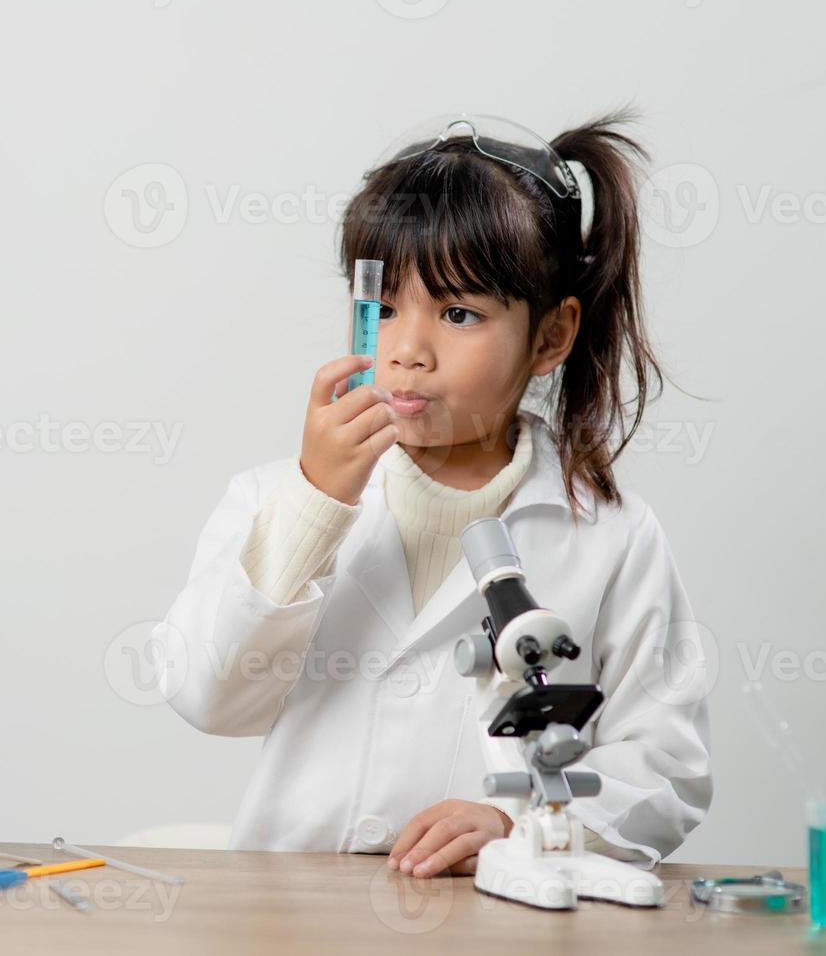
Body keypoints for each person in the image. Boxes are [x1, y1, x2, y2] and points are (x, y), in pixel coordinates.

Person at [154, 110, 712, 878]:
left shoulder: (613, 535)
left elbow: (667, 766)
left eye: (458, 314)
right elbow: (207, 696)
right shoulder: (273, 498)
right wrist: (316, 504)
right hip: (294, 917)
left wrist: (518, 822)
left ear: (550, 336)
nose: (407, 351)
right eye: (381, 309)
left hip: (492, 914)